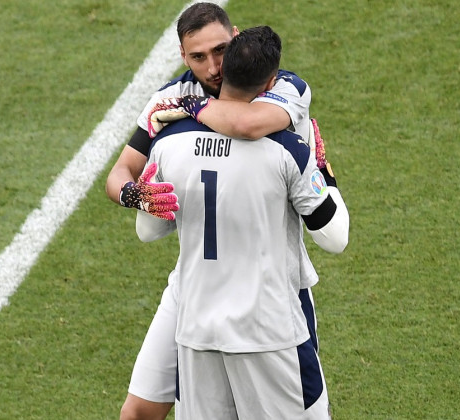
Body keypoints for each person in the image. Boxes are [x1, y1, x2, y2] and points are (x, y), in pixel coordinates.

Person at [105, 3, 334, 419]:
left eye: (221, 50)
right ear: (181, 55)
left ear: (237, 36)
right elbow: (120, 172)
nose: (212, 66)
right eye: (198, 57)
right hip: (194, 288)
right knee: (138, 412)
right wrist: (136, 196)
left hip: (271, 291)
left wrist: (191, 114)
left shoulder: (284, 88)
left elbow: (248, 124)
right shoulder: (168, 98)